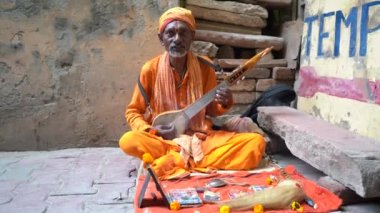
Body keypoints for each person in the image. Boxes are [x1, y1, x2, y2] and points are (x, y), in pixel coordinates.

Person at [119, 7, 265, 179]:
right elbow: (133, 111)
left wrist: (224, 102)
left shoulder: (206, 67)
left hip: (200, 138)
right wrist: (151, 130)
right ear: (161, 38)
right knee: (128, 140)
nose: (177, 39)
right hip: (164, 141)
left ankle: (176, 161)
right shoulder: (150, 69)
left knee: (255, 143)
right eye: (170, 33)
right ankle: (189, 159)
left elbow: (210, 110)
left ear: (192, 37)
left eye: (183, 33)